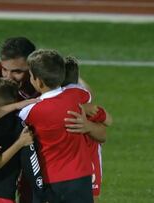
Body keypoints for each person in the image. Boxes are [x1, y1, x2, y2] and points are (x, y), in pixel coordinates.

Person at [19, 49, 109, 202]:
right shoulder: (77, 96)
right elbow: (87, 94)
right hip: (81, 177)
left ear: (38, 81)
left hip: (51, 180)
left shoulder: (30, 112)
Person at [62, 56, 112, 203]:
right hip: (88, 158)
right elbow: (109, 120)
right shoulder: (85, 99)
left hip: (81, 158)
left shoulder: (62, 100)